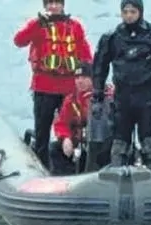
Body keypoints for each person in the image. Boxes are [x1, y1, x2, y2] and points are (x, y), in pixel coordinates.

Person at [91, 0, 151, 171]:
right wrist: (98, 96)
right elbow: (100, 66)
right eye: (126, 12)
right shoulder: (112, 38)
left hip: (146, 99)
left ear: (140, 12)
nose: (129, 16)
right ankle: (117, 178)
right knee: (119, 144)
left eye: (133, 12)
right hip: (122, 99)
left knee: (148, 143)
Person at [14, 0, 92, 169]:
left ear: (63, 5)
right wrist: (35, 25)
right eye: (50, 3)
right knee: (42, 131)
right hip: (44, 86)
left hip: (70, 88)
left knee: (73, 129)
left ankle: (72, 166)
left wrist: (91, 82)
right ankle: (42, 168)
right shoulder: (37, 25)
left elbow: (86, 57)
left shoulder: (75, 27)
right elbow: (19, 41)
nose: (53, 6)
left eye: (57, 3)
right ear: (45, 6)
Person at [49, 63, 114, 176]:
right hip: (80, 144)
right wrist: (65, 138)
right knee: (54, 148)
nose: (79, 81)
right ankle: (66, 180)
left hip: (104, 145)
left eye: (84, 77)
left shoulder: (109, 96)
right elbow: (61, 123)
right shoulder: (71, 100)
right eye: (77, 78)